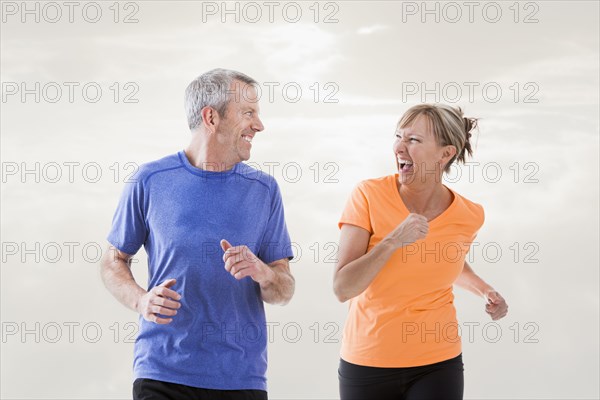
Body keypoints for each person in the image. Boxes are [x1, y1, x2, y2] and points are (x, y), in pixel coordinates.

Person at [100, 68, 295, 400]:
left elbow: (284, 289)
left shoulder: (265, 190)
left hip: (240, 380)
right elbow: (113, 261)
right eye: (248, 113)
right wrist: (141, 300)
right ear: (211, 117)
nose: (259, 125)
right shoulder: (149, 180)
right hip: (162, 373)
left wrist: (262, 272)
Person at [333, 104, 508, 400]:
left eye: (413, 140)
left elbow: (449, 263)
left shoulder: (470, 215)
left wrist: (486, 290)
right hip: (368, 360)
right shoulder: (368, 195)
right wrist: (392, 241)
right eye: (398, 137)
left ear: (445, 153)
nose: (399, 147)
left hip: (438, 362)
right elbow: (343, 287)